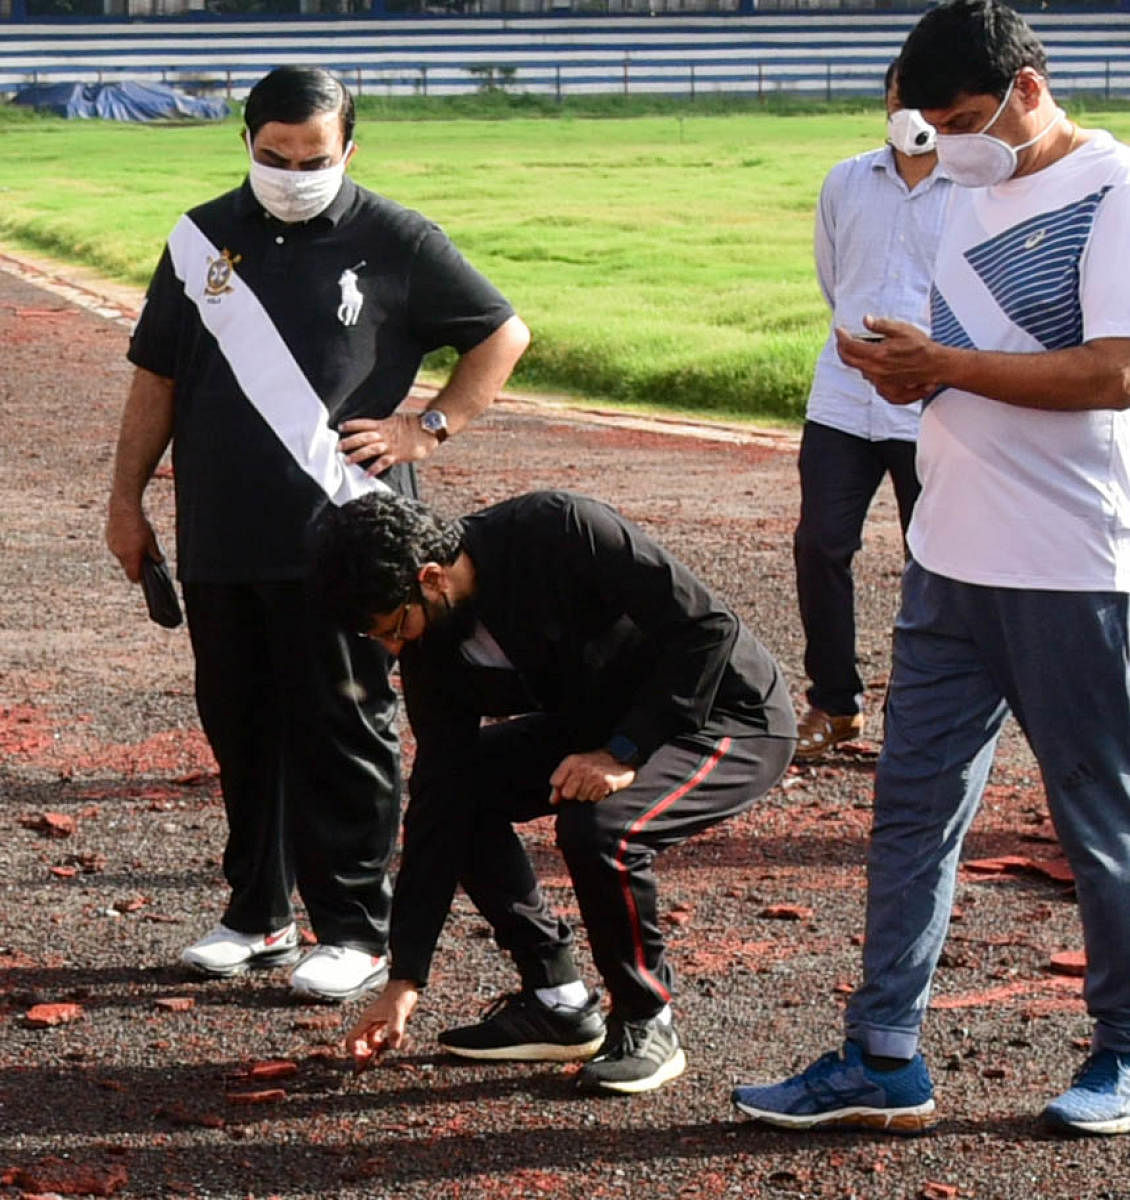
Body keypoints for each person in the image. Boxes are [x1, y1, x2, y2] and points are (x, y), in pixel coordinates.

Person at [732, 0, 1130, 1137]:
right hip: (947, 553)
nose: (945, 143)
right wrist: (907, 372)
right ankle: (882, 1053)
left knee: (1095, 815)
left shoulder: (1108, 191)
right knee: (908, 813)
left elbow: (1110, 373)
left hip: (1069, 564)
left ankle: (1121, 1048)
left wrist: (943, 365)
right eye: (927, 121)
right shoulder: (957, 186)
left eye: (961, 118)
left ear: (1029, 85)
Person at [104, 66, 529, 1003]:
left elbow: (503, 332)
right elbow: (156, 379)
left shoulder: (398, 238)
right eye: (274, 155)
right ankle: (257, 913)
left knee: (343, 724)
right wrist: (125, 499)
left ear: (350, 148)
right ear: (246, 142)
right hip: (219, 530)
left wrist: (429, 426)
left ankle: (355, 929)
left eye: (315, 157)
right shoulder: (199, 239)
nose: (293, 170)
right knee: (240, 726)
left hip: (348, 534)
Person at [312, 490, 796, 1093]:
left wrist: (626, 752)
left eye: (392, 627)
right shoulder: (430, 639)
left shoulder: (560, 529)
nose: (391, 649)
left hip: (724, 714)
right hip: (601, 721)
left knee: (600, 826)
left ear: (430, 577)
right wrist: (404, 978)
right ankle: (557, 1000)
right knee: (459, 791)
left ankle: (648, 1020)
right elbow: (439, 791)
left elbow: (706, 627)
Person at [793, 62, 951, 759]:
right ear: (885, 102)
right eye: (899, 97)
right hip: (843, 396)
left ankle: (926, 714)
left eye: (923, 99)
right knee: (820, 545)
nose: (908, 111)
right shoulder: (846, 180)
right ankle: (835, 704)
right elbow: (836, 280)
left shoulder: (973, 193)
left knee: (937, 559)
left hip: (933, 402)